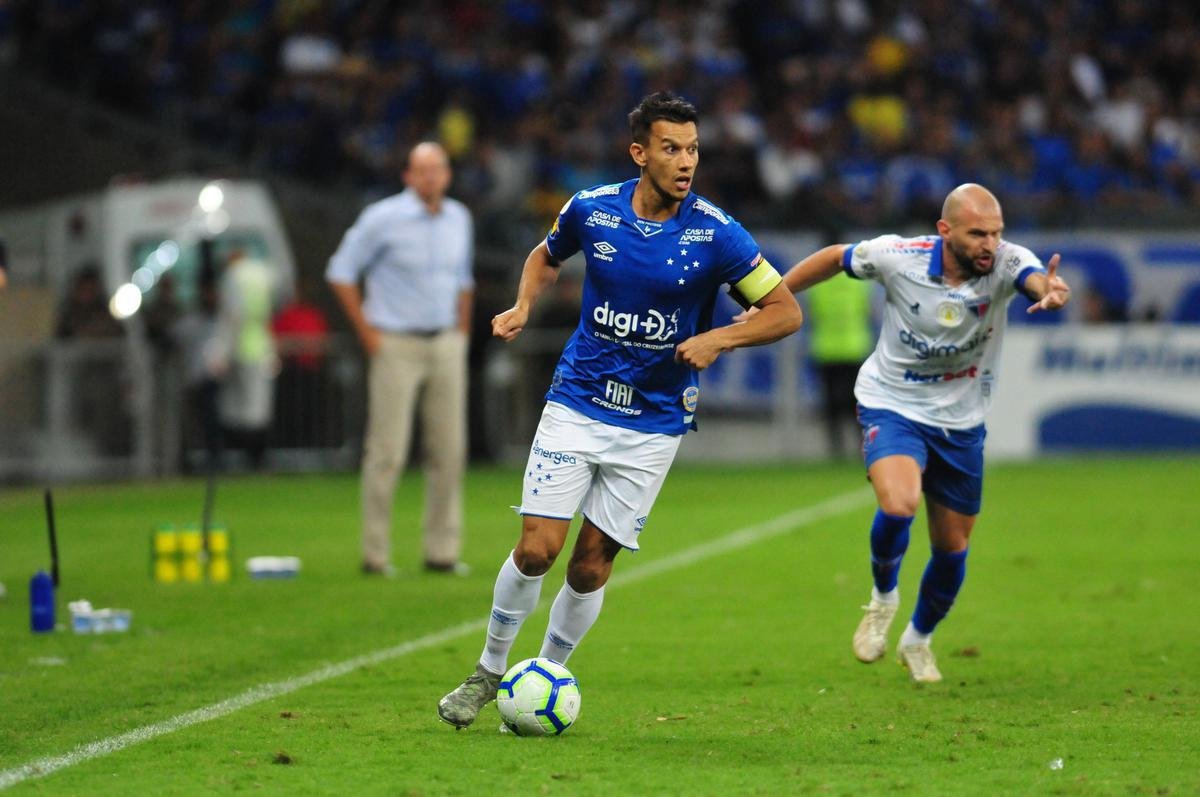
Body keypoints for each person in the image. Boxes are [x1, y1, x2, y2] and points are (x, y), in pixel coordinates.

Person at [436, 91, 802, 729]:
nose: (685, 162)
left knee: (589, 565)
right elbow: (545, 257)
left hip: (654, 422)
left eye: (693, 149)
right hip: (578, 400)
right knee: (537, 550)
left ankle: (547, 673)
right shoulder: (592, 209)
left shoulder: (716, 232)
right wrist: (524, 305)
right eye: (671, 148)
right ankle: (488, 672)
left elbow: (784, 311)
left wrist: (720, 338)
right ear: (639, 153)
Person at [750, 183, 1070, 682]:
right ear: (945, 231)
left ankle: (918, 639)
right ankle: (882, 599)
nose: (990, 243)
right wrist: (770, 299)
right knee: (899, 504)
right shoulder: (900, 256)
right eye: (977, 233)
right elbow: (834, 257)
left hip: (962, 421)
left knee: (952, 548)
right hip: (893, 404)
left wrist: (1047, 289)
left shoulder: (1006, 261)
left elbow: (1031, 277)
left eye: (996, 232)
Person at [326, 141, 475, 576]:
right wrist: (368, 334)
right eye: (422, 169)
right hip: (395, 343)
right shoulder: (382, 218)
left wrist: (462, 332)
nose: (430, 177)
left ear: (447, 175)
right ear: (408, 176)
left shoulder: (459, 218)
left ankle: (442, 551)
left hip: (445, 342)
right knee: (386, 451)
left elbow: (463, 280)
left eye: (437, 169)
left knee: (449, 450)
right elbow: (340, 271)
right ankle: (375, 554)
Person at [804, 272, 875, 457]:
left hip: (826, 349)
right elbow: (869, 312)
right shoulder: (858, 281)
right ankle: (861, 445)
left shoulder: (818, 283)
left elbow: (811, 315)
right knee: (857, 401)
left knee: (831, 403)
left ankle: (836, 448)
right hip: (855, 347)